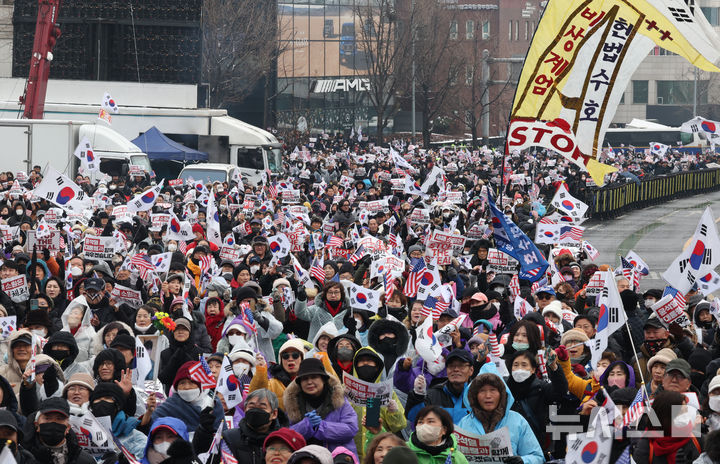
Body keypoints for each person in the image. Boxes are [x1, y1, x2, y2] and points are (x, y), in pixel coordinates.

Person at [458, 366, 544, 464]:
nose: (488, 396)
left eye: (493, 390)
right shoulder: (464, 423)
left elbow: (538, 457)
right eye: (482, 391)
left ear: (502, 393)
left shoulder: (517, 421)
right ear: (475, 395)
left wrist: (523, 461)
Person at [284, 358, 358, 455]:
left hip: (337, 459)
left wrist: (322, 427)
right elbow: (286, 435)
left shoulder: (340, 401)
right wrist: (306, 425)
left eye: (314, 377)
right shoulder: (293, 404)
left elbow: (351, 429)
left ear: (323, 379)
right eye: (305, 379)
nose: (309, 382)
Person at [151, 361, 224, 433]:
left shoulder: (213, 403)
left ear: (201, 385)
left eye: (191, 382)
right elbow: (151, 427)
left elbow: (222, 432)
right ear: (176, 387)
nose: (187, 387)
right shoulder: (169, 406)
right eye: (182, 383)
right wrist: (148, 413)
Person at [633, 390, 702, 463]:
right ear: (665, 416)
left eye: (686, 411)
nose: (685, 417)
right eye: (680, 413)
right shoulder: (646, 446)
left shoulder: (697, 440)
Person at [23, 397, 95, 464]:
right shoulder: (24, 458)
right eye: (47, 418)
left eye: (59, 419)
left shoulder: (85, 460)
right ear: (37, 425)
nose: (53, 423)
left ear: (68, 428)